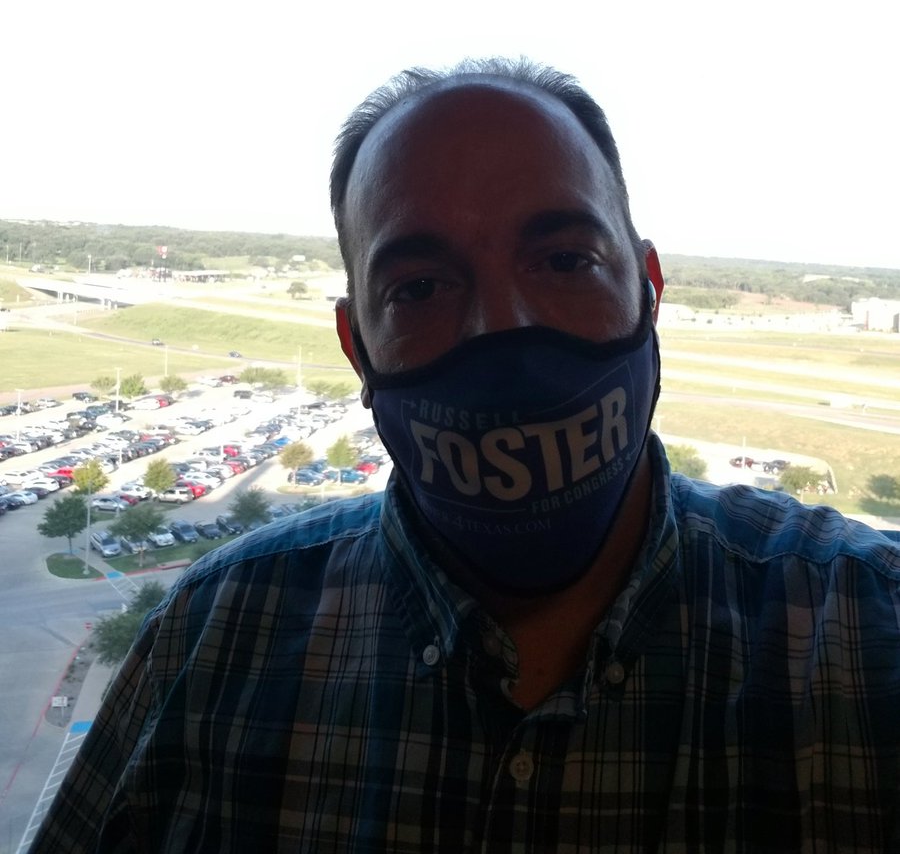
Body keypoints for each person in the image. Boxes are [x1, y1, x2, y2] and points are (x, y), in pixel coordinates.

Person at [32, 59, 900, 853]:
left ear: (649, 289)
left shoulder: (864, 632)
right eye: (419, 288)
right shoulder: (213, 636)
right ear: (356, 346)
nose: (504, 331)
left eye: (566, 260)